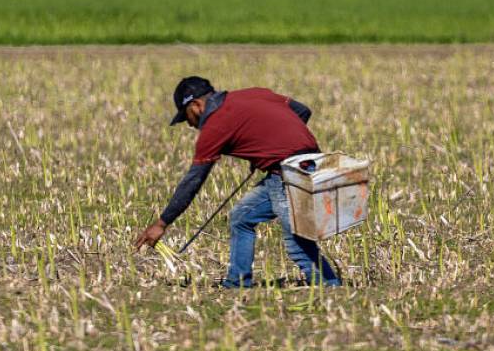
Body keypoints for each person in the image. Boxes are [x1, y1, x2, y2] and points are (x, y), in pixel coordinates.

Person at [133, 76, 343, 288]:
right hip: (312, 163)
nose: (188, 123)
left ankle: (329, 285)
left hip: (288, 173)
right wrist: (271, 143)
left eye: (185, 116)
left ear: (195, 105)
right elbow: (302, 110)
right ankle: (237, 282)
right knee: (241, 217)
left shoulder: (214, 126)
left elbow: (194, 179)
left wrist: (162, 223)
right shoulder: (255, 94)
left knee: (297, 239)